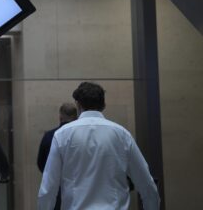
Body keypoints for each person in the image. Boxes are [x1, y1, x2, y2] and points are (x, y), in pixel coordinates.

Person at [38, 82, 160, 210]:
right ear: (103, 105)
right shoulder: (122, 135)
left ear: (78, 104)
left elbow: (48, 189)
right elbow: (147, 184)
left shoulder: (62, 135)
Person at [36, 103, 78, 210]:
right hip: (77, 187)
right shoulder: (81, 136)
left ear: (60, 116)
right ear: (76, 116)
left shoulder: (50, 135)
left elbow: (41, 162)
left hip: (56, 187)